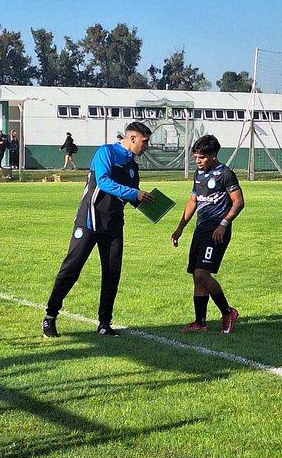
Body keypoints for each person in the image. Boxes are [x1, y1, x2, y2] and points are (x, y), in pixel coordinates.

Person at [42, 123, 154, 338]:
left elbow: (129, 197)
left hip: (113, 224)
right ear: (132, 139)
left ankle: (104, 323)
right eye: (145, 141)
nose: (146, 146)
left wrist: (151, 204)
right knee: (71, 269)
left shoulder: (133, 166)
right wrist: (135, 193)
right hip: (89, 220)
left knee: (112, 274)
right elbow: (103, 182)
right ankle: (50, 317)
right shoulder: (106, 152)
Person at [170, 134, 244, 333]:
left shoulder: (225, 174)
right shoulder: (198, 174)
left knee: (203, 274)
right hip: (200, 230)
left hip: (216, 232)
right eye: (195, 157)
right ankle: (200, 322)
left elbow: (238, 202)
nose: (198, 161)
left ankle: (228, 312)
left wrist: (223, 223)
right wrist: (180, 228)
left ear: (212, 155)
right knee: (196, 276)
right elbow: (193, 201)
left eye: (201, 158)